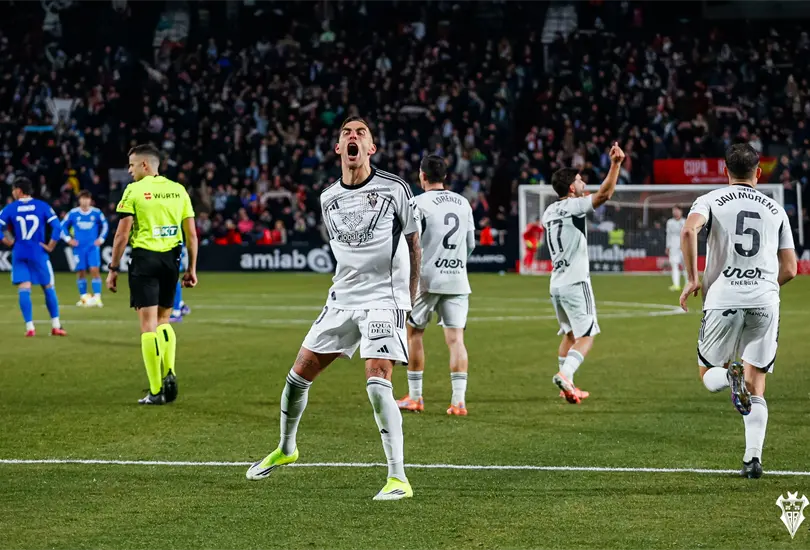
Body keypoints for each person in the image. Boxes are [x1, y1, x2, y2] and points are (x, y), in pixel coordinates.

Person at [246, 116, 422, 501]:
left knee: (377, 383)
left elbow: (413, 242)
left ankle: (398, 478)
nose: (353, 137)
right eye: (347, 134)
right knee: (297, 377)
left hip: (384, 299)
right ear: (338, 149)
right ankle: (286, 448)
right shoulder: (327, 197)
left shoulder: (395, 188)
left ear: (371, 148)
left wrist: (410, 297)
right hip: (341, 299)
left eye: (361, 133)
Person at [679, 143, 797, 479]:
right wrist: (763, 286)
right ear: (758, 173)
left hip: (723, 299)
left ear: (725, 171)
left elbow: (689, 230)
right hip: (764, 302)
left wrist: (691, 280)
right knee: (756, 381)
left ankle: (730, 381)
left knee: (706, 374)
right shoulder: (776, 209)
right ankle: (753, 460)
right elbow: (790, 268)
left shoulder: (712, 199)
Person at [106, 144, 198, 405]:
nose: (129, 170)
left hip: (145, 259)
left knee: (147, 326)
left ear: (144, 165)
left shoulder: (134, 190)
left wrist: (113, 269)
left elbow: (122, 234)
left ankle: (156, 390)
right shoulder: (178, 190)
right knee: (164, 321)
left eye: (132, 165)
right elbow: (191, 234)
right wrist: (191, 269)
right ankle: (170, 372)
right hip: (172, 259)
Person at [542, 143, 625, 404]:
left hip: (556, 284)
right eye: (579, 180)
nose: (582, 183)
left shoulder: (549, 211)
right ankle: (565, 375)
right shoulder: (574, 206)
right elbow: (605, 194)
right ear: (570, 188)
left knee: (569, 334)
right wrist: (616, 164)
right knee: (587, 335)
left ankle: (567, 386)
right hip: (576, 282)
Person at [396, 154, 475, 415]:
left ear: (422, 176)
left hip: (426, 279)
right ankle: (458, 402)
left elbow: (412, 244)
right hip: (457, 279)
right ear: (445, 177)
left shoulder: (417, 204)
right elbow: (470, 244)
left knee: (415, 333)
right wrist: (457, 263)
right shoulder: (463, 203)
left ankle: (416, 397)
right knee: (456, 340)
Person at [0, 178, 67, 337]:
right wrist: (51, 245)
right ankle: (56, 325)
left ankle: (30, 328)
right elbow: (57, 227)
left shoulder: (10, 208)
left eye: (13, 190)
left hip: (20, 252)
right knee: (48, 287)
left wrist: (7, 242)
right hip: (38, 252)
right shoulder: (42, 206)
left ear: (19, 190)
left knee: (24, 289)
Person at [61, 190, 109, 307]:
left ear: (90, 200)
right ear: (79, 200)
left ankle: (97, 297)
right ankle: (83, 297)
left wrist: (101, 239)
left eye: (87, 198)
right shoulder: (73, 213)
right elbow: (62, 226)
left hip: (92, 247)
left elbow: (105, 225)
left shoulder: (96, 213)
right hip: (79, 247)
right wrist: (68, 239)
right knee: (81, 272)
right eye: (83, 198)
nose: (85, 201)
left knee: (94, 270)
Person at [169, 244, 192, 323]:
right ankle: (180, 305)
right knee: (169, 279)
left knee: (172, 278)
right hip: (168, 243)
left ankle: (177, 312)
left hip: (170, 244)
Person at [665, 206, 685, 291]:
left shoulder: (685, 221)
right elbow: (668, 235)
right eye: (674, 210)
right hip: (673, 246)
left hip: (684, 246)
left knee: (686, 267)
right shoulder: (669, 222)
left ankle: (688, 284)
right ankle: (676, 285)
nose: (676, 212)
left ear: (681, 211)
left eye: (677, 210)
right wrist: (667, 246)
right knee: (674, 265)